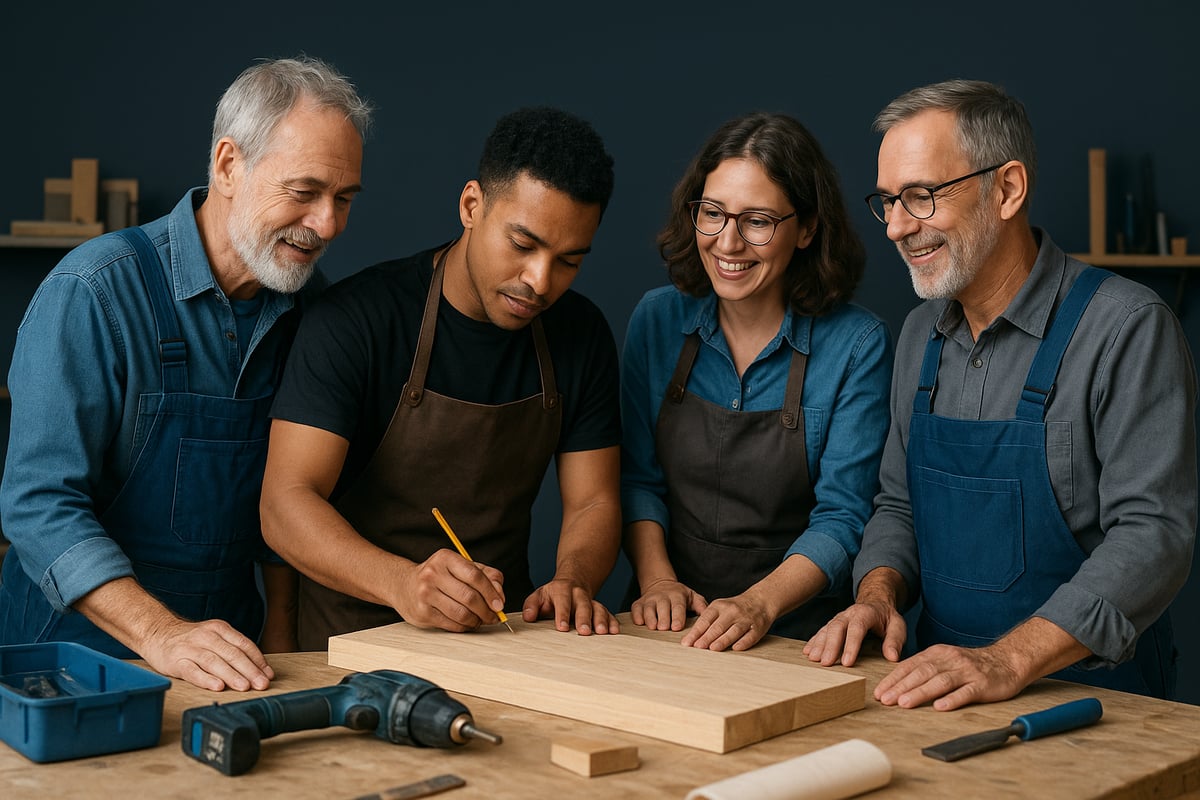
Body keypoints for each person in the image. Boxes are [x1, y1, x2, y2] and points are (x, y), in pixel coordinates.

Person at [804, 79, 1197, 708]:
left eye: (921, 196)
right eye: (888, 202)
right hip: (938, 689)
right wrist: (877, 595)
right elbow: (899, 506)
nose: (897, 227)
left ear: (1008, 189)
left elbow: (1153, 536)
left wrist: (1008, 659)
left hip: (1095, 702)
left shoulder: (1126, 327)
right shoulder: (919, 335)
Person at [0, 56, 372, 691]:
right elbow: (37, 506)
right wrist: (161, 635)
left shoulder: (309, 309)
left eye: (343, 199)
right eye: (304, 192)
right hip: (70, 658)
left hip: (227, 658)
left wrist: (282, 635)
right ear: (228, 165)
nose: (327, 224)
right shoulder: (94, 291)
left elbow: (288, 498)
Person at [261, 106, 622, 651]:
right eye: (522, 245)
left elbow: (594, 501)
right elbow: (284, 504)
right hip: (354, 646)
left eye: (569, 261)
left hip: (499, 642)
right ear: (472, 206)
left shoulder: (580, 333)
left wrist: (574, 577)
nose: (540, 281)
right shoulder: (357, 320)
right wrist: (403, 584)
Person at [620, 112, 893, 651]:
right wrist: (656, 582)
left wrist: (759, 603)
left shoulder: (858, 345)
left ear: (807, 228)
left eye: (758, 221)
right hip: (668, 623)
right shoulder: (656, 320)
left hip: (799, 640)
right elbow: (637, 481)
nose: (728, 243)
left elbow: (843, 516)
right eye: (713, 213)